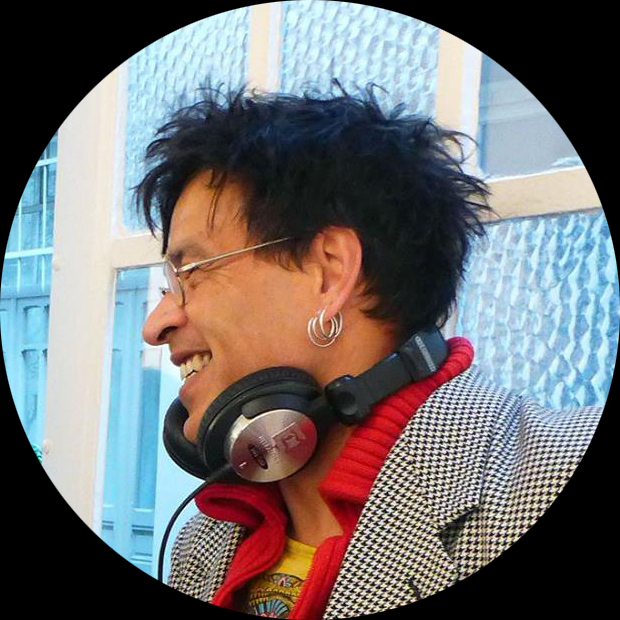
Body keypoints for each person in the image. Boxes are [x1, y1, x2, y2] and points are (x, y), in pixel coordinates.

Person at [138, 83, 601, 617]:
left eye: (191, 272)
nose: (155, 325)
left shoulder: (552, 477)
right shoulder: (205, 541)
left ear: (329, 274)